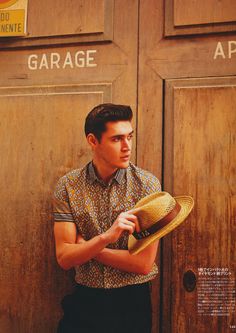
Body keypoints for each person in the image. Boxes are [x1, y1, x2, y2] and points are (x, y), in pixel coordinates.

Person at [53, 103, 161, 333]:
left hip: (132, 303)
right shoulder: (68, 186)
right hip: (85, 300)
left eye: (129, 137)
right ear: (93, 141)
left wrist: (88, 248)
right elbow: (64, 258)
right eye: (117, 139)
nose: (127, 147)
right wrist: (106, 237)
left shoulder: (148, 185)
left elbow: (143, 264)